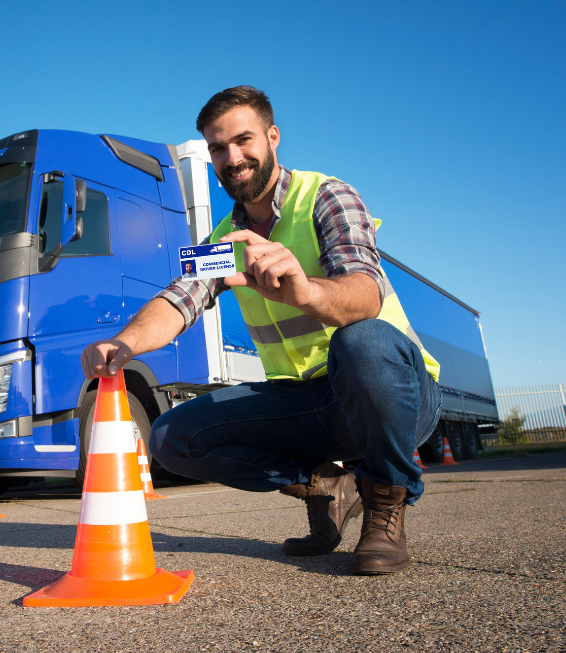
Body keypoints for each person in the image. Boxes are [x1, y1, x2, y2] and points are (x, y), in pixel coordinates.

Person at [80, 86, 441, 575]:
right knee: (171, 438)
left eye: (244, 140)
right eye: (218, 148)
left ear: (272, 137)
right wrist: (123, 342)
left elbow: (365, 292)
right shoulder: (223, 242)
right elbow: (177, 300)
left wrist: (307, 292)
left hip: (390, 396)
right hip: (304, 403)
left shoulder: (327, 196)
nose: (233, 157)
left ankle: (385, 501)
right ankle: (326, 486)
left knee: (362, 340)